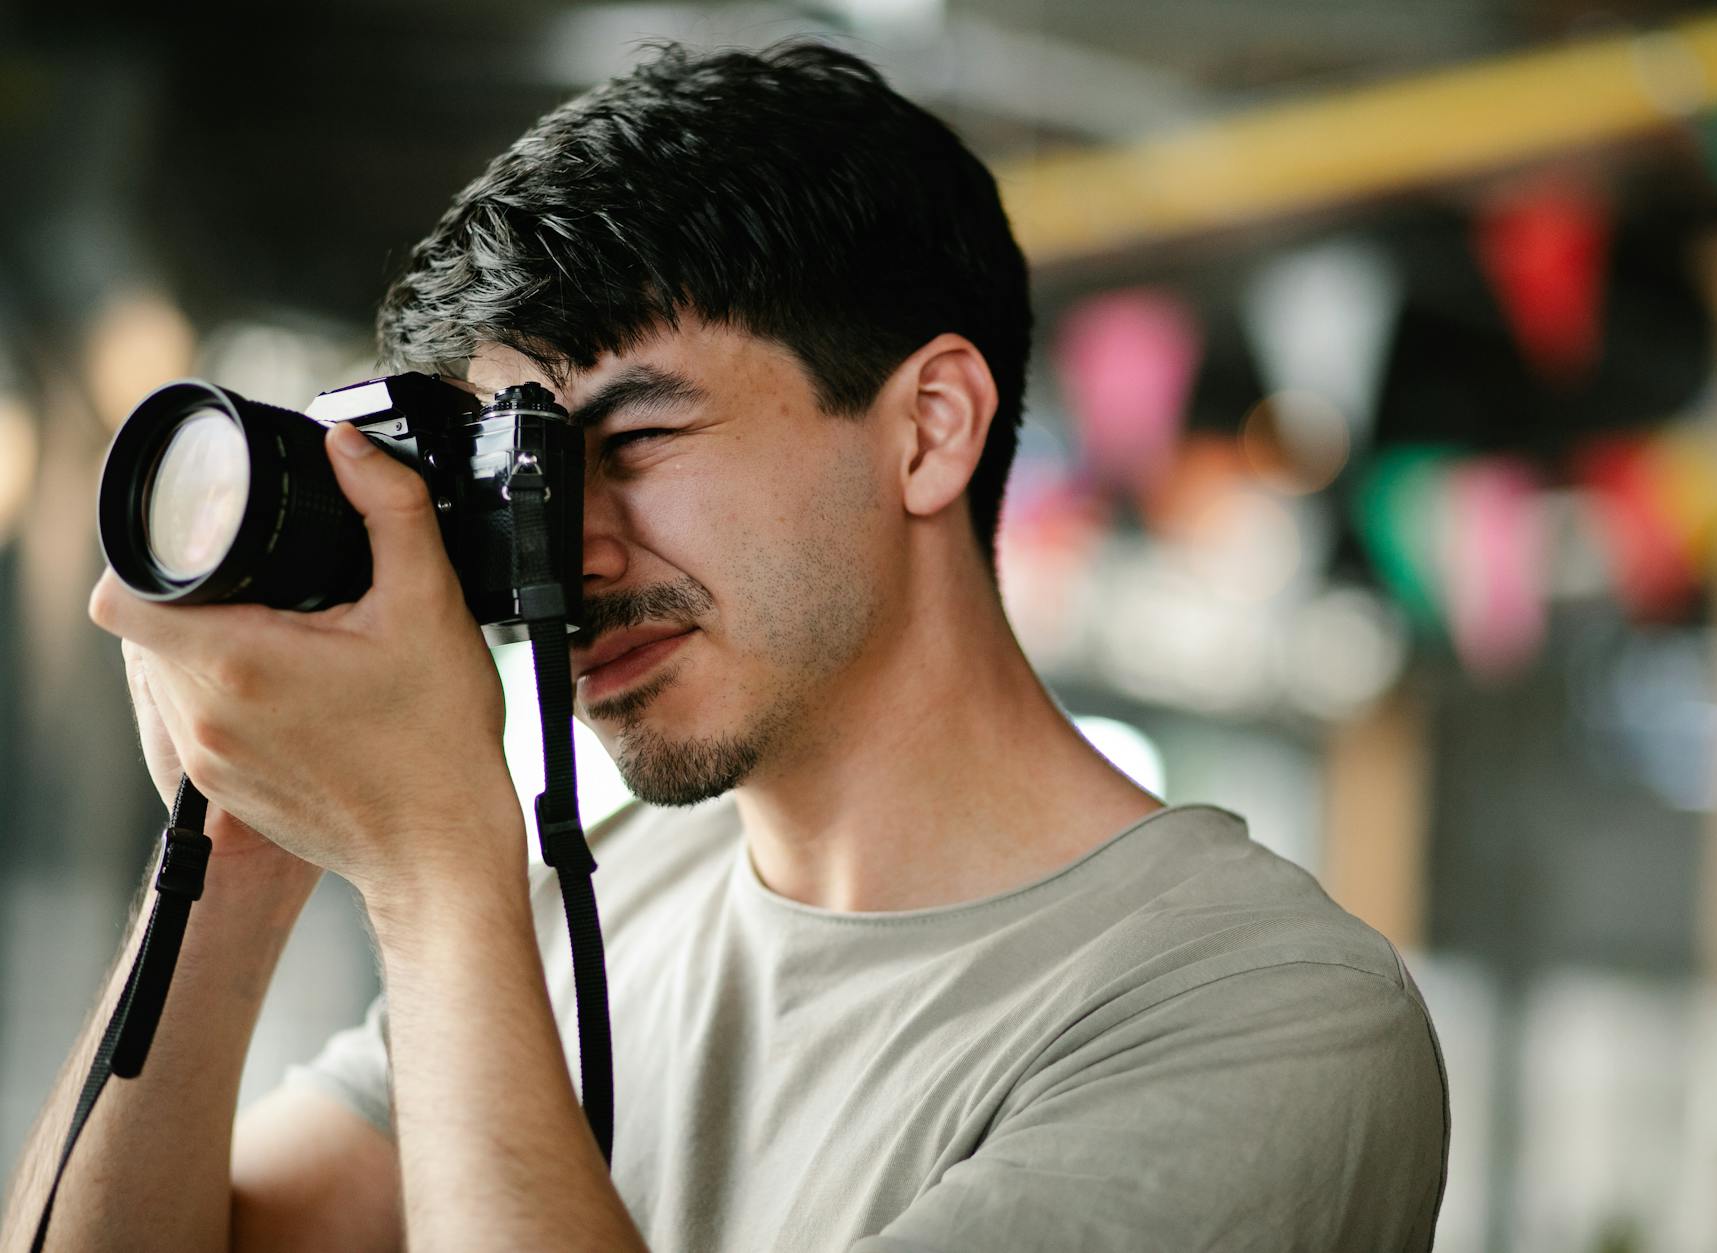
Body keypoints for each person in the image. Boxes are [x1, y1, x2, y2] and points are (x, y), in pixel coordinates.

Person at [2, 42, 1447, 1252]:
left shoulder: (1261, 1007)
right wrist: (238, 846)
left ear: (930, 429)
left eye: (633, 440)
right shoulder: (617, 895)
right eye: (526, 479)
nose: (568, 549)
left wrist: (438, 871)